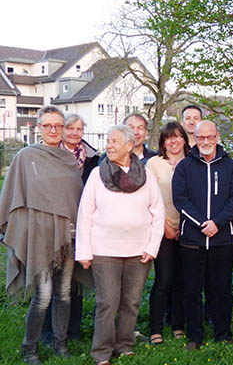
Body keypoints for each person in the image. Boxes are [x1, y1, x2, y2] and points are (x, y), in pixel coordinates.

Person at [75, 125, 165, 365]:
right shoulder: (97, 175)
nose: (109, 145)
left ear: (129, 145)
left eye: (115, 141)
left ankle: (124, 345)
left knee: (131, 301)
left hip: (139, 252)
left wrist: (151, 247)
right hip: (104, 251)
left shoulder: (145, 176)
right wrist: (83, 251)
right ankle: (101, 352)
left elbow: (158, 212)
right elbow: (85, 214)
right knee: (107, 302)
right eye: (108, 140)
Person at [0, 106, 83, 364]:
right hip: (39, 236)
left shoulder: (69, 159)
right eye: (47, 125)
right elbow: (13, 195)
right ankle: (29, 349)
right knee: (44, 295)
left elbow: (74, 197)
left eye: (58, 126)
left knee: (64, 293)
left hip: (67, 237)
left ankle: (60, 344)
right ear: (38, 127)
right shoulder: (26, 157)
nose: (53, 130)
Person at [172, 120, 233, 347]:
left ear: (216, 137)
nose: (205, 141)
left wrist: (218, 223)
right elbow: (180, 199)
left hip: (222, 239)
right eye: (200, 137)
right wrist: (203, 223)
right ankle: (195, 336)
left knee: (222, 290)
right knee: (192, 291)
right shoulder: (184, 166)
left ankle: (223, 334)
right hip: (192, 240)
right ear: (194, 138)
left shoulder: (231, 166)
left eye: (209, 137)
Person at [41, 113, 100, 344]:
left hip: (82, 223)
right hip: (54, 223)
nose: (75, 133)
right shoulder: (51, 155)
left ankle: (72, 331)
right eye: (70, 129)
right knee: (48, 281)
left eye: (79, 129)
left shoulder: (93, 157)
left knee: (76, 279)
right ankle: (48, 332)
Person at [146, 122, 190, 345]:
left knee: (183, 280)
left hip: (189, 231)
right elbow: (150, 199)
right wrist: (165, 227)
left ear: (184, 139)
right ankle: (156, 328)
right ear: (162, 142)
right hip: (162, 229)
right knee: (164, 279)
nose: (173, 141)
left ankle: (178, 325)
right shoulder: (153, 164)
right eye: (168, 138)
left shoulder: (193, 162)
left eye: (178, 137)